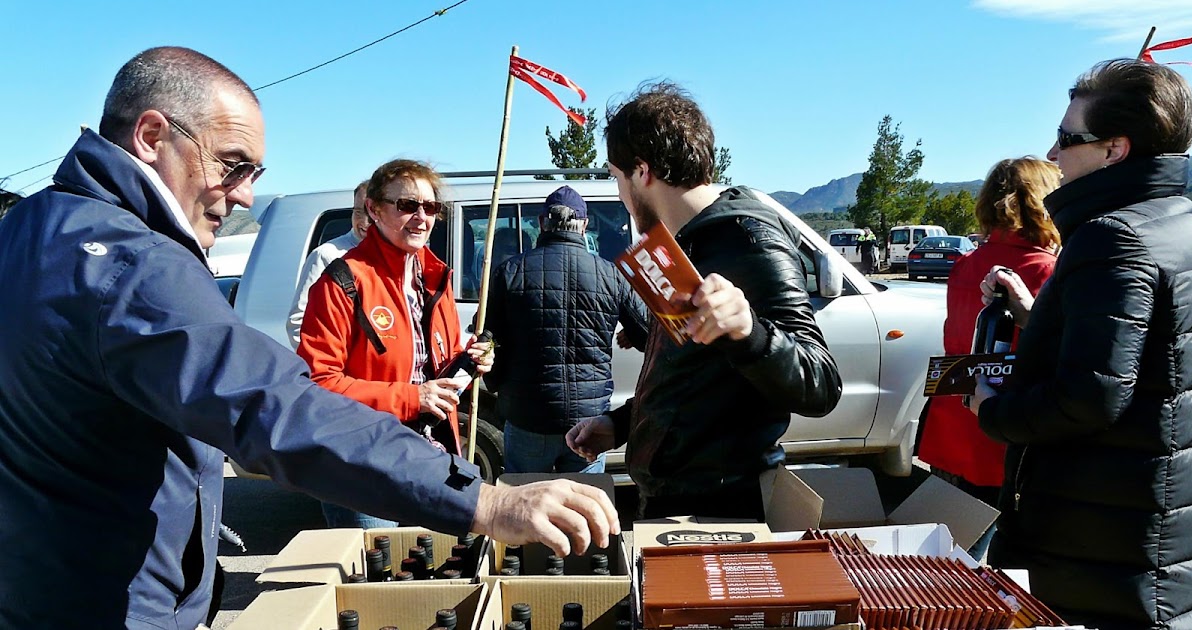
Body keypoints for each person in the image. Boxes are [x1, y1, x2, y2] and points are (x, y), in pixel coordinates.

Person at [0, 47, 618, 630]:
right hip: (106, 597)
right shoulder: (136, 266)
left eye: (254, 173)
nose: (243, 193)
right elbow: (282, 404)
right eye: (232, 164)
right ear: (153, 136)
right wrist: (483, 502)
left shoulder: (29, 226)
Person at [969, 59, 1192, 629]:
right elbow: (1151, 355)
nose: (1052, 154)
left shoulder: (1111, 236)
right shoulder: (1179, 220)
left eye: (1067, 138)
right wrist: (1037, 316)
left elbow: (1090, 397)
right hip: (1155, 525)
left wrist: (992, 410)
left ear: (1114, 150)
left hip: (1102, 540)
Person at [567, 81, 842, 520]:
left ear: (643, 172)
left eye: (617, 179)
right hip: (671, 500)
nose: (620, 195)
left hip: (722, 512)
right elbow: (690, 383)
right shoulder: (679, 245)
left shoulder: (748, 238)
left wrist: (749, 330)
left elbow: (821, 383)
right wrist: (620, 425)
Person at [297, 159, 494, 529]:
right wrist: (411, 398)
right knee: (376, 580)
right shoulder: (342, 280)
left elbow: (437, 365)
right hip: (363, 467)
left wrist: (469, 363)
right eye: (407, 205)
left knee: (427, 577)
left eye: (431, 207)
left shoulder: (436, 279)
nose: (421, 217)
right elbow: (318, 385)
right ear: (373, 209)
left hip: (431, 459)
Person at [916, 157, 1060, 560]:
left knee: (945, 556)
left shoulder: (967, 263)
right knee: (986, 566)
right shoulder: (1047, 271)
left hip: (952, 423)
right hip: (1001, 435)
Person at [484, 185, 649, 474]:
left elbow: (487, 339)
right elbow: (649, 334)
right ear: (584, 225)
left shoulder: (509, 272)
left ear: (541, 223)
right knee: (583, 510)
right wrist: (630, 335)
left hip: (528, 417)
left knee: (527, 508)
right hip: (589, 422)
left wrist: (499, 388)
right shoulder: (611, 274)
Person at [286, 180, 371, 348]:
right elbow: (298, 322)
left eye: (373, 213)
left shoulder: (401, 258)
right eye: (359, 212)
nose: (365, 222)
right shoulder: (328, 255)